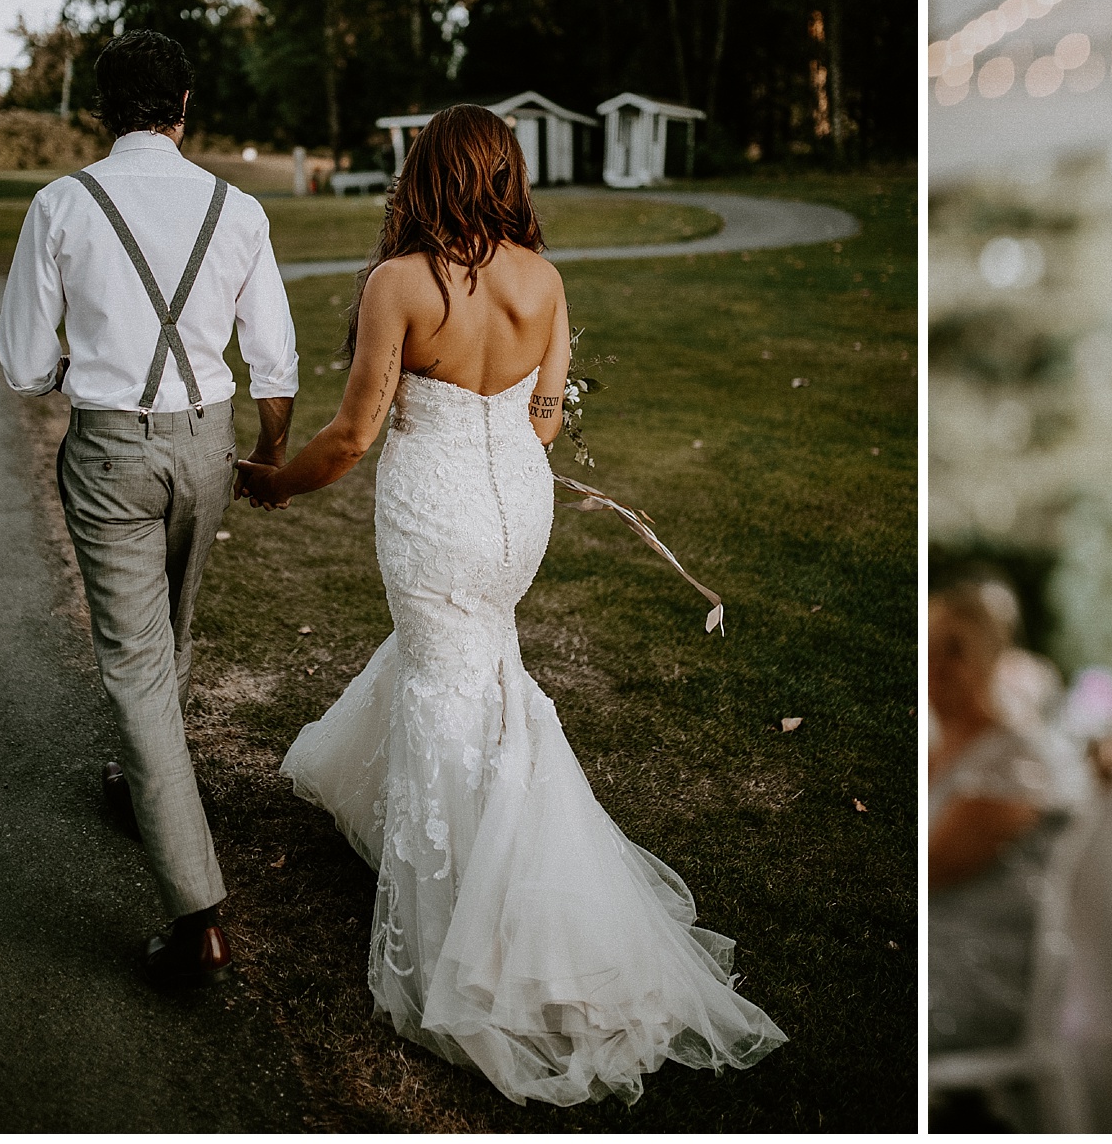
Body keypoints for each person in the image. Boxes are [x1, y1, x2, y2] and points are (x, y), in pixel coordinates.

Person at [233, 106, 784, 1106]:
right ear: (505, 176)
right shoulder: (544, 279)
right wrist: (493, 474)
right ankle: (462, 844)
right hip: (513, 508)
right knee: (471, 666)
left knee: (450, 690)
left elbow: (353, 434)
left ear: (426, 176)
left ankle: (473, 940)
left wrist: (272, 484)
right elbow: (541, 412)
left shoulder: (398, 283)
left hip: (434, 507)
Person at [0, 31, 298, 986]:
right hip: (208, 445)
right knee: (171, 630)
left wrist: (73, 371)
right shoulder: (238, 208)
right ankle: (143, 778)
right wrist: (269, 450)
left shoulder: (60, 205)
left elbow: (21, 364)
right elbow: (276, 361)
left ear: (102, 110)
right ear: (183, 108)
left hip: (111, 448)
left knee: (138, 662)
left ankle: (199, 915)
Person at [928, 581, 1063, 1103]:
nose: (937, 665)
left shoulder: (1013, 758)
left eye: (955, 651)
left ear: (991, 659)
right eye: (932, 647)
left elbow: (933, 869)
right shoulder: (942, 745)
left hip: (984, 971)